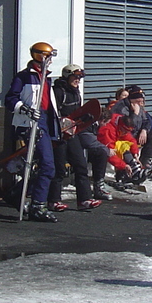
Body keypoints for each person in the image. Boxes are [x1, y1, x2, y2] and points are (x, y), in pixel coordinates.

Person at [4, 42, 60, 223]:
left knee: (44, 166)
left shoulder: (46, 78)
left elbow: (48, 104)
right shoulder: (25, 77)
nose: (50, 61)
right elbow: (10, 99)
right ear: (40, 56)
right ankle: (38, 205)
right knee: (47, 165)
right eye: (48, 57)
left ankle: (17, 194)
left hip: (44, 122)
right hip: (30, 123)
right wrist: (25, 109)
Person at [49, 64, 110, 210]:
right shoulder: (58, 92)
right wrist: (61, 124)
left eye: (79, 78)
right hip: (59, 134)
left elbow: (77, 112)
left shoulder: (76, 92)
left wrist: (85, 117)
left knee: (80, 165)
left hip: (72, 133)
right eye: (75, 77)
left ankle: (84, 199)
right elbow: (51, 113)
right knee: (59, 168)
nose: (78, 80)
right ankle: (53, 200)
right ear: (67, 76)